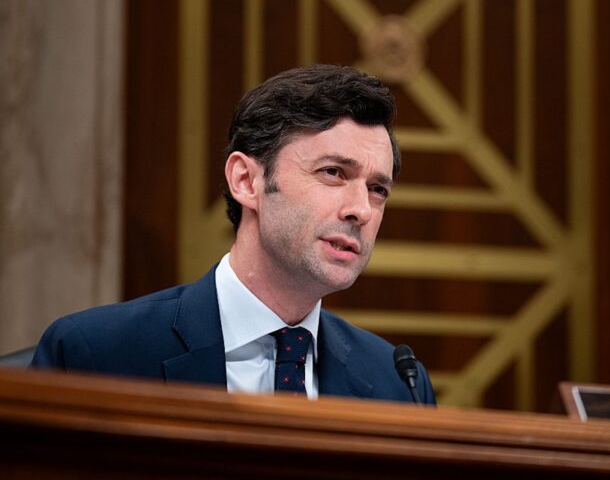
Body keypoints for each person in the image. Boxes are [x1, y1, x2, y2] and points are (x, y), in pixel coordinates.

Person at [31, 64, 435, 405]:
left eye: (377, 189)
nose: (361, 209)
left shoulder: (399, 384)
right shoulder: (97, 355)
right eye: (333, 173)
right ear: (246, 181)